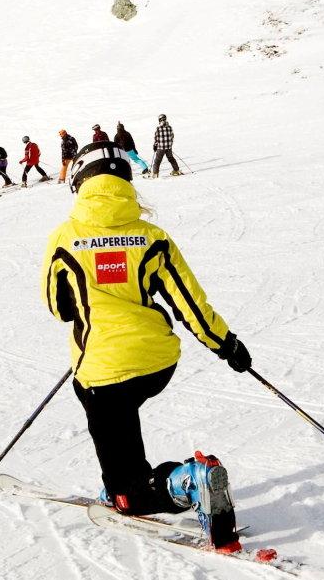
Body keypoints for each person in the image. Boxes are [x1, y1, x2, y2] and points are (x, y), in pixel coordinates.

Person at [42, 139, 252, 550]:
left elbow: (59, 308)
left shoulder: (65, 238)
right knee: (119, 411)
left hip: (101, 368)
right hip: (157, 361)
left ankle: (179, 483)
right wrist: (226, 346)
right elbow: (190, 303)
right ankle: (128, 476)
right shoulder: (151, 236)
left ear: (81, 184)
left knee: (126, 487)